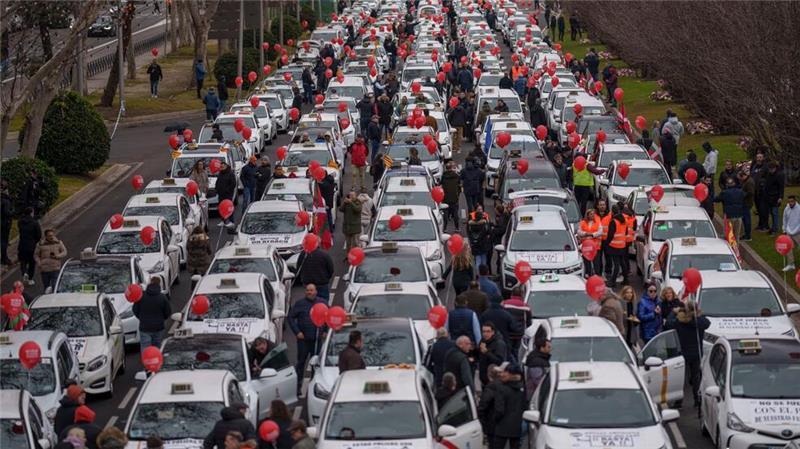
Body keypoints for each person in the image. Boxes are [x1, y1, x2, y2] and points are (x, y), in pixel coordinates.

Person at [664, 302, 710, 408]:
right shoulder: (699, 322)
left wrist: (673, 313)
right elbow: (707, 323)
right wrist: (698, 315)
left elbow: (668, 324)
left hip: (682, 352)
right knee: (696, 378)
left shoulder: (679, 321)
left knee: (680, 378)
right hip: (696, 353)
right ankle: (697, 399)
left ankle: (678, 401)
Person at [288, 284, 328, 390]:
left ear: (316, 291)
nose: (309, 292)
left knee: (316, 365)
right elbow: (290, 318)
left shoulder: (322, 303)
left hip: (317, 339)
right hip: (303, 340)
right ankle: (297, 387)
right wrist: (297, 332)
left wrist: (325, 330)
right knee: (301, 363)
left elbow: (328, 316)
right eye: (307, 290)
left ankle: (314, 386)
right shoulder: (299, 304)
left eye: (311, 290)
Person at [133, 277, 171, 350]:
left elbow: (135, 310)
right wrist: (161, 319)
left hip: (145, 327)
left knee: (145, 349)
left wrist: (142, 318)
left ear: (150, 283)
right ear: (159, 284)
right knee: (157, 349)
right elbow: (167, 312)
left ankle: (146, 361)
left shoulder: (142, 296)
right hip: (158, 327)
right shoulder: (162, 297)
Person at [492, 363, 524, 449]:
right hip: (517, 427)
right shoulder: (522, 388)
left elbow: (499, 410)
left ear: (511, 374)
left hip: (501, 427)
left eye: (505, 372)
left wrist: (494, 420)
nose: (501, 375)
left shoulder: (501, 389)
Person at [603, 204, 629, 288]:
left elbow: (610, 235)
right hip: (622, 245)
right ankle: (626, 280)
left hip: (614, 246)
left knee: (616, 265)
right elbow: (626, 232)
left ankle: (613, 281)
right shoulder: (624, 220)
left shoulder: (613, 221)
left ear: (612, 212)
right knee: (622, 263)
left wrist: (606, 243)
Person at [34, 228, 66, 293]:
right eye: (49, 236)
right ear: (46, 236)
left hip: (55, 268)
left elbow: (64, 252)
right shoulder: (40, 244)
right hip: (45, 269)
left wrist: (57, 256)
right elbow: (36, 255)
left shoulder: (58, 242)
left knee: (55, 286)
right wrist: (39, 263)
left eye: (52, 235)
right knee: (46, 287)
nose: (51, 237)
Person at [501, 286, 531, 352]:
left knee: (508, 351)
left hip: (507, 333)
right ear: (522, 295)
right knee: (516, 350)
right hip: (519, 334)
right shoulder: (526, 306)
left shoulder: (504, 304)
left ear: (512, 294)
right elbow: (529, 322)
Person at [525, 327, 551, 400]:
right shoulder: (536, 362)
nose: (550, 349)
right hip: (536, 395)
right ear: (542, 348)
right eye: (548, 347)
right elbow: (537, 380)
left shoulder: (538, 358)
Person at [477, 365, 502, 440]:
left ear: (489, 375)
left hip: (492, 424)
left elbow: (483, 406)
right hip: (505, 426)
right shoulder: (505, 386)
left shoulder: (490, 388)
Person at [17, 207, 41, 285]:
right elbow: (39, 235)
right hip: (32, 245)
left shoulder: (20, 222)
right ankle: (30, 278)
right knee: (32, 262)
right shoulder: (35, 223)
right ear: (31, 213)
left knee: (23, 260)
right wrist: (35, 241)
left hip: (22, 244)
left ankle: (24, 272)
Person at [762, 161, 785, 235]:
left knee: (775, 213)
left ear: (775, 168)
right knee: (771, 213)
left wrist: (780, 197)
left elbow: (781, 187)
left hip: (775, 197)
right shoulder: (769, 174)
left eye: (772, 169)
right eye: (770, 169)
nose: (771, 170)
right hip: (768, 196)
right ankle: (773, 227)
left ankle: (775, 229)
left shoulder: (779, 175)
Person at [216, 161, 237, 227]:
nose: (222, 167)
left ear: (226, 166)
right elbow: (218, 182)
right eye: (221, 166)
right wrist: (216, 188)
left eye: (223, 166)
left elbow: (233, 183)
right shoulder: (220, 174)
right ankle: (223, 220)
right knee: (221, 207)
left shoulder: (230, 174)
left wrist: (228, 190)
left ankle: (231, 221)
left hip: (228, 194)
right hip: (221, 194)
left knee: (229, 207)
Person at [441, 162, 461, 231]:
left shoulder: (444, 176)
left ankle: (444, 228)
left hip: (445, 198)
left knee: (445, 215)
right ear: (451, 168)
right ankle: (457, 227)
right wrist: (458, 194)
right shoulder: (456, 176)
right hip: (454, 198)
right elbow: (459, 186)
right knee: (455, 214)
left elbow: (441, 184)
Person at [782, 195, 800, 271]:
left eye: (792, 201)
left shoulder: (799, 209)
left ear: (795, 201)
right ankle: (791, 264)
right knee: (788, 248)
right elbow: (784, 220)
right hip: (789, 232)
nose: (790, 203)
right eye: (789, 202)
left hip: (798, 232)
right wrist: (784, 230)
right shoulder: (786, 209)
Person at [739, 170, 754, 241]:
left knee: (747, 220)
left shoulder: (749, 182)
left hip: (747, 203)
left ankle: (748, 236)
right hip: (745, 203)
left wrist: (743, 195)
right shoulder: (747, 181)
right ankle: (747, 234)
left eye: (741, 177)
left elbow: (750, 192)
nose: (741, 179)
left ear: (744, 176)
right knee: (745, 219)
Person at [1, 181, 12, 266]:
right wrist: (14, 212)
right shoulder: (5, 201)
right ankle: (4, 258)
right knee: (4, 241)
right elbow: (7, 212)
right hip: (4, 223)